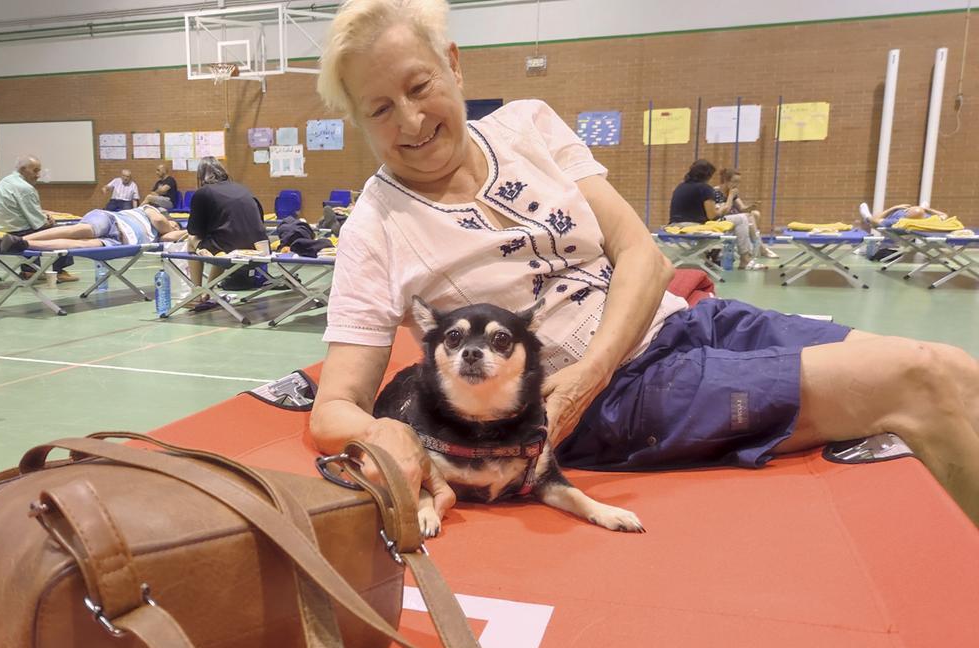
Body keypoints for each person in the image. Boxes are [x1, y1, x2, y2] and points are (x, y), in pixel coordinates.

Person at [306, 0, 979, 527]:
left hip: (684, 325)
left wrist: (586, 372)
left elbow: (643, 257)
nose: (411, 120)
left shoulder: (527, 126)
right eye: (380, 110)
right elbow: (334, 405)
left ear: (454, 64)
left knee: (960, 371)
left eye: (419, 85)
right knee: (922, 379)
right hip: (618, 400)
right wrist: (386, 430)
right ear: (361, 124)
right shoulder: (376, 226)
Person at [184, 157, 268, 309]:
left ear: (201, 176)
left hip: (227, 250)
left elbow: (193, 230)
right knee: (220, 244)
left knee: (192, 241)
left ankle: (196, 292)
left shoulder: (203, 193)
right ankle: (208, 292)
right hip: (258, 252)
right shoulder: (242, 189)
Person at [0, 155, 78, 282]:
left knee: (31, 229)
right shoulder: (25, 188)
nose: (38, 175)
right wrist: (49, 221)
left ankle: (30, 270)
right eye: (35, 170)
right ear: (23, 169)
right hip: (13, 233)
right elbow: (39, 224)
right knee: (62, 233)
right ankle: (59, 271)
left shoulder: (5, 181)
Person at [670, 159, 765, 270]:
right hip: (692, 227)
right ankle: (745, 259)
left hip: (673, 226)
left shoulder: (680, 186)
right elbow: (713, 216)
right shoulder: (705, 189)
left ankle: (678, 260)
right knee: (742, 218)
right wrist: (725, 206)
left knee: (741, 218)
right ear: (708, 175)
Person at [0, 204, 185, 252]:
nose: (173, 227)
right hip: (110, 220)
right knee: (78, 230)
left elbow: (170, 237)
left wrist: (181, 231)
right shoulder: (149, 210)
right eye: (174, 223)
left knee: (81, 245)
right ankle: (26, 236)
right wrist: (170, 226)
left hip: (119, 241)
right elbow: (161, 222)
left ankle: (22, 242)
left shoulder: (161, 237)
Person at [714, 167, 778, 259]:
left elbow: (742, 208)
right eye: (734, 181)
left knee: (755, 213)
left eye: (738, 182)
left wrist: (751, 207)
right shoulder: (715, 192)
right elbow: (723, 211)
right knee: (748, 217)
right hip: (722, 219)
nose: (737, 184)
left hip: (735, 218)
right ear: (726, 180)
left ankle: (755, 245)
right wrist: (731, 196)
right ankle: (761, 248)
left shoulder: (732, 191)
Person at [860, 202, 948, 230]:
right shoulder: (928, 219)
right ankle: (922, 207)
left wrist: (893, 208)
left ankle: (866, 216)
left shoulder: (900, 221)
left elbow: (875, 220)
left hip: (889, 218)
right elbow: (944, 215)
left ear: (906, 213)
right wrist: (927, 209)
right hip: (919, 221)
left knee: (872, 221)